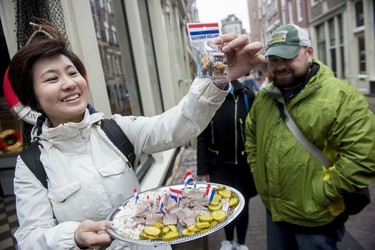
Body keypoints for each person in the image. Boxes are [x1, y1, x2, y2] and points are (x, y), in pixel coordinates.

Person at [8, 20, 265, 250]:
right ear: (34, 99)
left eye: (73, 73)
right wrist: (73, 236)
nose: (68, 83)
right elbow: (30, 238)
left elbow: (177, 125)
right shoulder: (31, 165)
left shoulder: (117, 129)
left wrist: (216, 78)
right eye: (52, 79)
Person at [244, 23, 375, 250]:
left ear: (309, 53)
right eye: (274, 60)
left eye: (288, 57)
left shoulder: (342, 97)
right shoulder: (264, 99)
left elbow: (362, 157)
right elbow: (252, 137)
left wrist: (321, 195)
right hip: (275, 213)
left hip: (316, 220)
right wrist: (260, 177)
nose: (281, 66)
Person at [197, 80, 257, 250]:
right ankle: (229, 240)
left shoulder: (247, 96)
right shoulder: (210, 98)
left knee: (243, 206)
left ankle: (242, 243)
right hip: (218, 165)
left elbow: (256, 130)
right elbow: (202, 136)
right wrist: (202, 169)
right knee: (224, 206)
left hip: (243, 165)